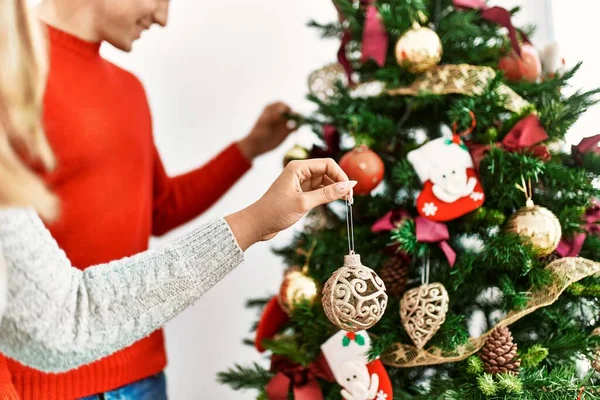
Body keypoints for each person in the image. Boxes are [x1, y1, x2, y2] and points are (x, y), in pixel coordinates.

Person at [0, 0, 357, 398]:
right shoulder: (14, 78)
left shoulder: (129, 90)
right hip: (47, 382)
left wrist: (248, 150)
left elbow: (160, 209)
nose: (163, 18)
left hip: (143, 375)